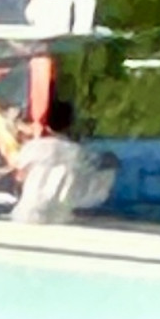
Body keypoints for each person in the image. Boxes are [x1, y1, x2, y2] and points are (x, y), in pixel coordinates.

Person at [9, 96, 117, 225]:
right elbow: (93, 193)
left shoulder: (32, 149)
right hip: (60, 220)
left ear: (46, 124)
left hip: (24, 216)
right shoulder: (79, 154)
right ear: (71, 124)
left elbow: (19, 177)